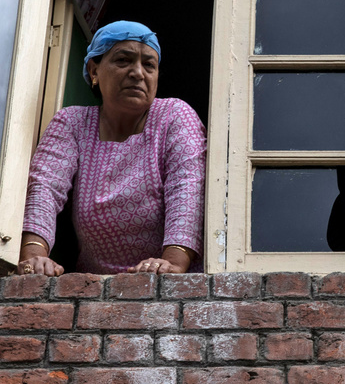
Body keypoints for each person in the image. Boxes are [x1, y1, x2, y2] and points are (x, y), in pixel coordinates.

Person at [18, 20, 205, 276]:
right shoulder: (73, 123)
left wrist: (173, 263)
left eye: (149, 65)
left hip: (167, 284)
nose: (138, 73)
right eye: (123, 60)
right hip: (95, 287)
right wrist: (34, 256)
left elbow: (187, 189)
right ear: (94, 70)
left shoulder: (174, 115)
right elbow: (44, 188)